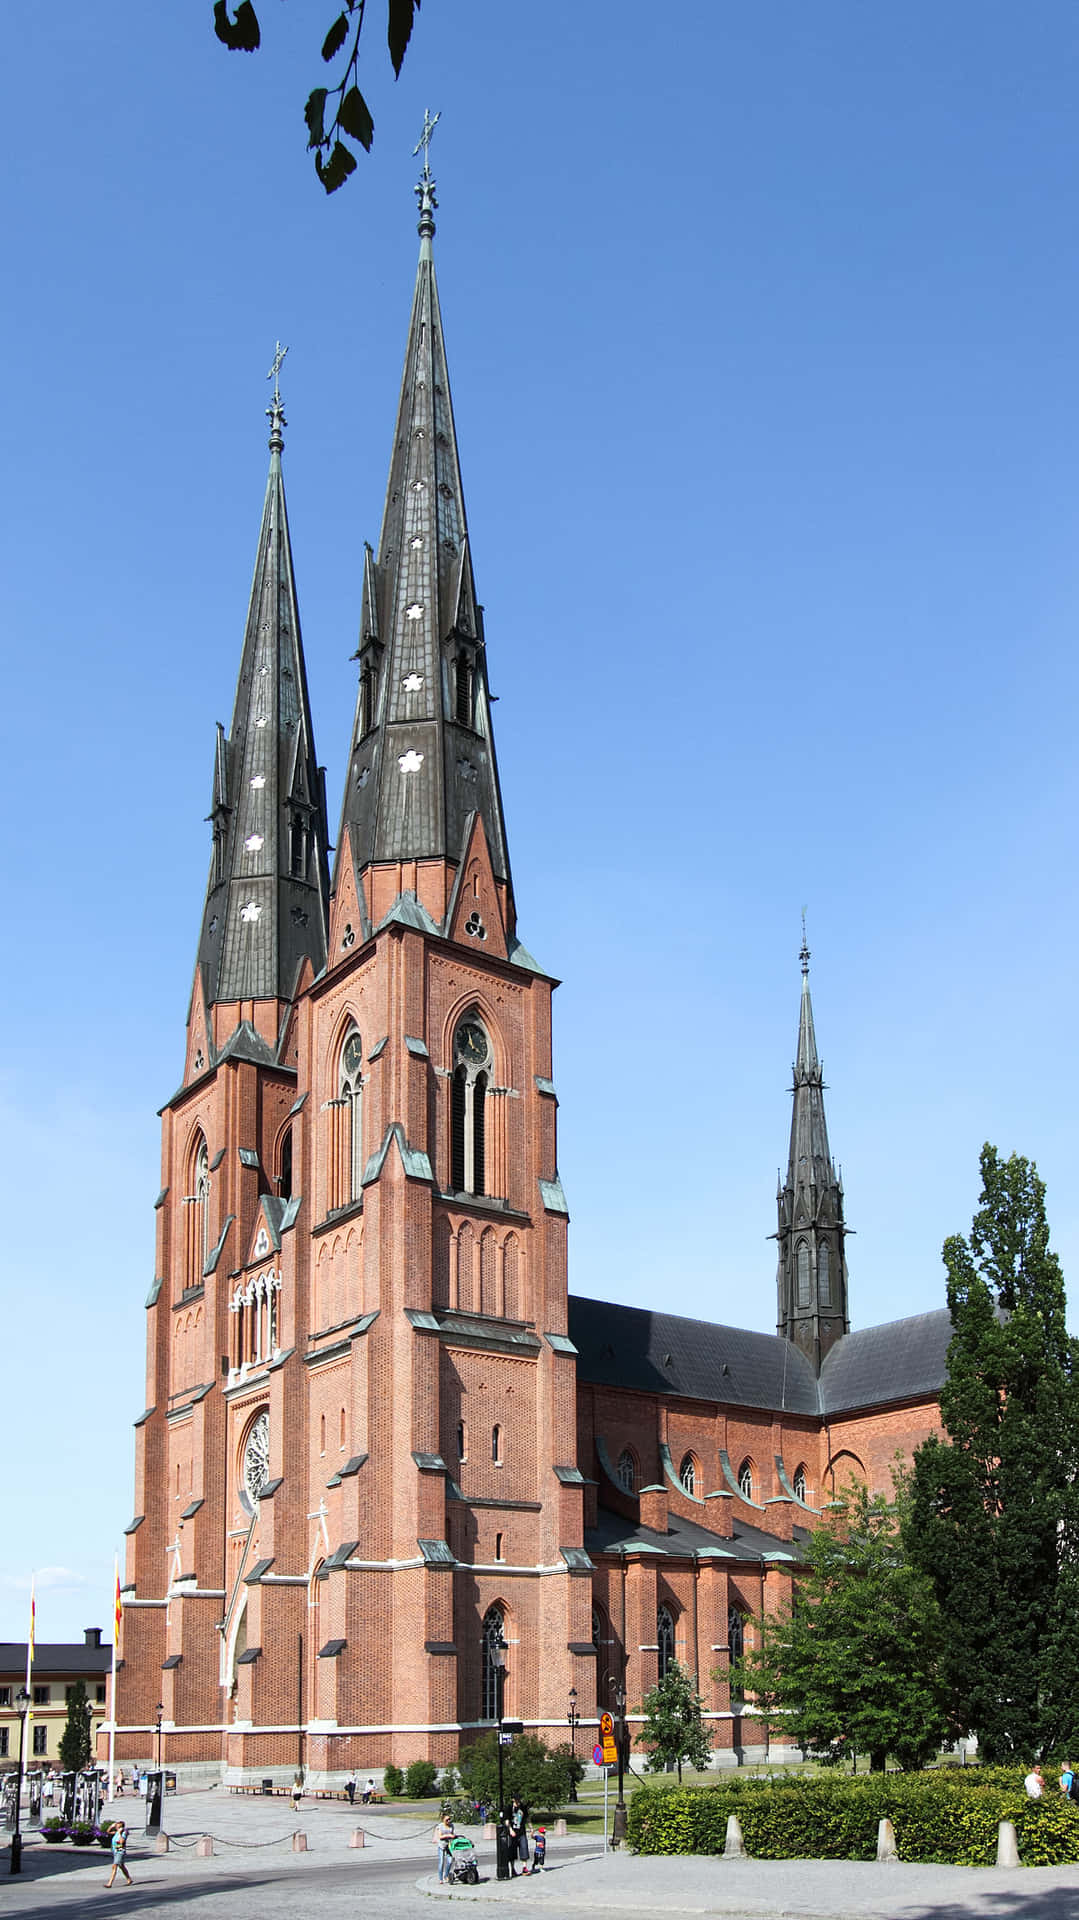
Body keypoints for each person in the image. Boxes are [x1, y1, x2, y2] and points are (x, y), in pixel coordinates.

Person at [104, 1820, 133, 1889]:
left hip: (120, 1850)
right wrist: (111, 1826)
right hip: (115, 1850)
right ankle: (129, 1879)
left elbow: (121, 1841)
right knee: (121, 1866)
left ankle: (109, 1883)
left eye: (117, 1826)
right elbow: (108, 1832)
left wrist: (120, 1833)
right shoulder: (116, 1832)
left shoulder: (123, 1833)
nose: (116, 1827)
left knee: (114, 1866)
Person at [435, 1811, 455, 1884]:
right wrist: (449, 1836)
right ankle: (440, 1878)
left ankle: (446, 1875)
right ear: (443, 1820)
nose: (448, 1821)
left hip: (449, 1845)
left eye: (449, 1819)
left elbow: (452, 1834)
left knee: (450, 1861)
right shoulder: (440, 1826)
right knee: (441, 1862)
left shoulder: (451, 1826)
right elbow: (440, 1836)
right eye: (447, 1820)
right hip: (441, 1845)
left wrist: (453, 1837)